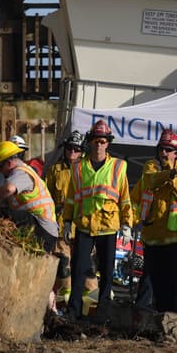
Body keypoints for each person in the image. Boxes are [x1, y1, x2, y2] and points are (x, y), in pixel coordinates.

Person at [63, 119, 133, 320]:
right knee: (78, 269)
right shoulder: (77, 167)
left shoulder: (119, 167)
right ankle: (73, 310)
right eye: (96, 141)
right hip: (84, 225)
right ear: (90, 142)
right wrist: (67, 222)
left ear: (108, 143)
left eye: (103, 141)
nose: (99, 145)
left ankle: (103, 312)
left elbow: (125, 198)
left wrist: (127, 224)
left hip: (108, 226)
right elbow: (71, 196)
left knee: (107, 272)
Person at [131, 129, 177, 313]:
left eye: (168, 150)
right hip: (152, 236)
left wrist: (173, 177)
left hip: (174, 237)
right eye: (161, 149)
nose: (164, 153)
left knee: (175, 281)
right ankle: (158, 315)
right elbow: (151, 181)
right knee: (156, 282)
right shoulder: (150, 166)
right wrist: (169, 173)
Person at [0, 140, 59, 253]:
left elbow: (8, 189)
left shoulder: (21, 173)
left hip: (43, 229)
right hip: (40, 227)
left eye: (0, 166)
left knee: (6, 214)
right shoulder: (20, 173)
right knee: (2, 212)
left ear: (9, 163)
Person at [46, 130, 85, 307]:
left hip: (84, 229)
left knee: (89, 272)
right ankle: (63, 308)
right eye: (69, 148)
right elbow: (47, 199)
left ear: (82, 151)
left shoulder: (87, 171)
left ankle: (90, 311)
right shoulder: (55, 171)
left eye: (76, 149)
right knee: (63, 269)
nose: (72, 152)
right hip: (61, 229)